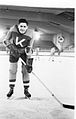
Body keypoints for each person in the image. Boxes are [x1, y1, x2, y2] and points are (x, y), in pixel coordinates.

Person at [3, 18, 34, 98]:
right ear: (18, 26)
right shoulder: (13, 29)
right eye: (21, 26)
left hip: (24, 53)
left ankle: (26, 90)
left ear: (27, 27)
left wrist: (29, 63)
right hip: (14, 51)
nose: (22, 28)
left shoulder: (31, 34)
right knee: (12, 70)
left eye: (24, 26)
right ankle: (11, 88)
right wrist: (11, 47)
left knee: (25, 71)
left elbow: (29, 48)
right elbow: (6, 40)